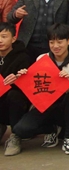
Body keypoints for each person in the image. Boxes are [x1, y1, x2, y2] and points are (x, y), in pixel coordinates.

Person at [12, 23, 69, 155]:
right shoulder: (42, 58)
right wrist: (24, 76)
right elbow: (35, 85)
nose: (55, 46)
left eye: (59, 42)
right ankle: (52, 129)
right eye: (52, 42)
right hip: (45, 104)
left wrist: (67, 82)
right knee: (20, 130)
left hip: (67, 106)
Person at [0, 22, 31, 156]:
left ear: (13, 38)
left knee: (14, 95)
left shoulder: (23, 57)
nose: (0, 40)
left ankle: (15, 136)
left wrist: (18, 79)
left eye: (4, 36)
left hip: (14, 105)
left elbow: (29, 86)